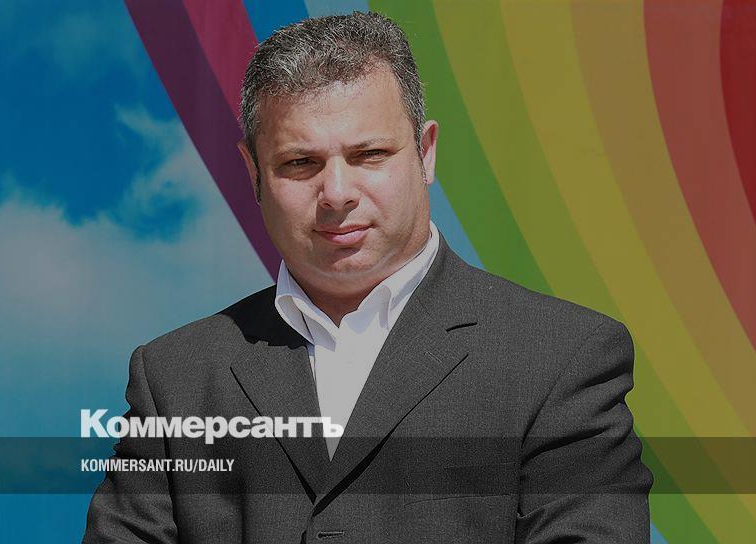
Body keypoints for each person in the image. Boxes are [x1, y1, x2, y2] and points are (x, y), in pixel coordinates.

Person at [84, 11, 652, 543]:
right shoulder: (174, 377)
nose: (336, 193)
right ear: (253, 172)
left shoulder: (561, 358)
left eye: (369, 155)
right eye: (300, 163)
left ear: (426, 153)